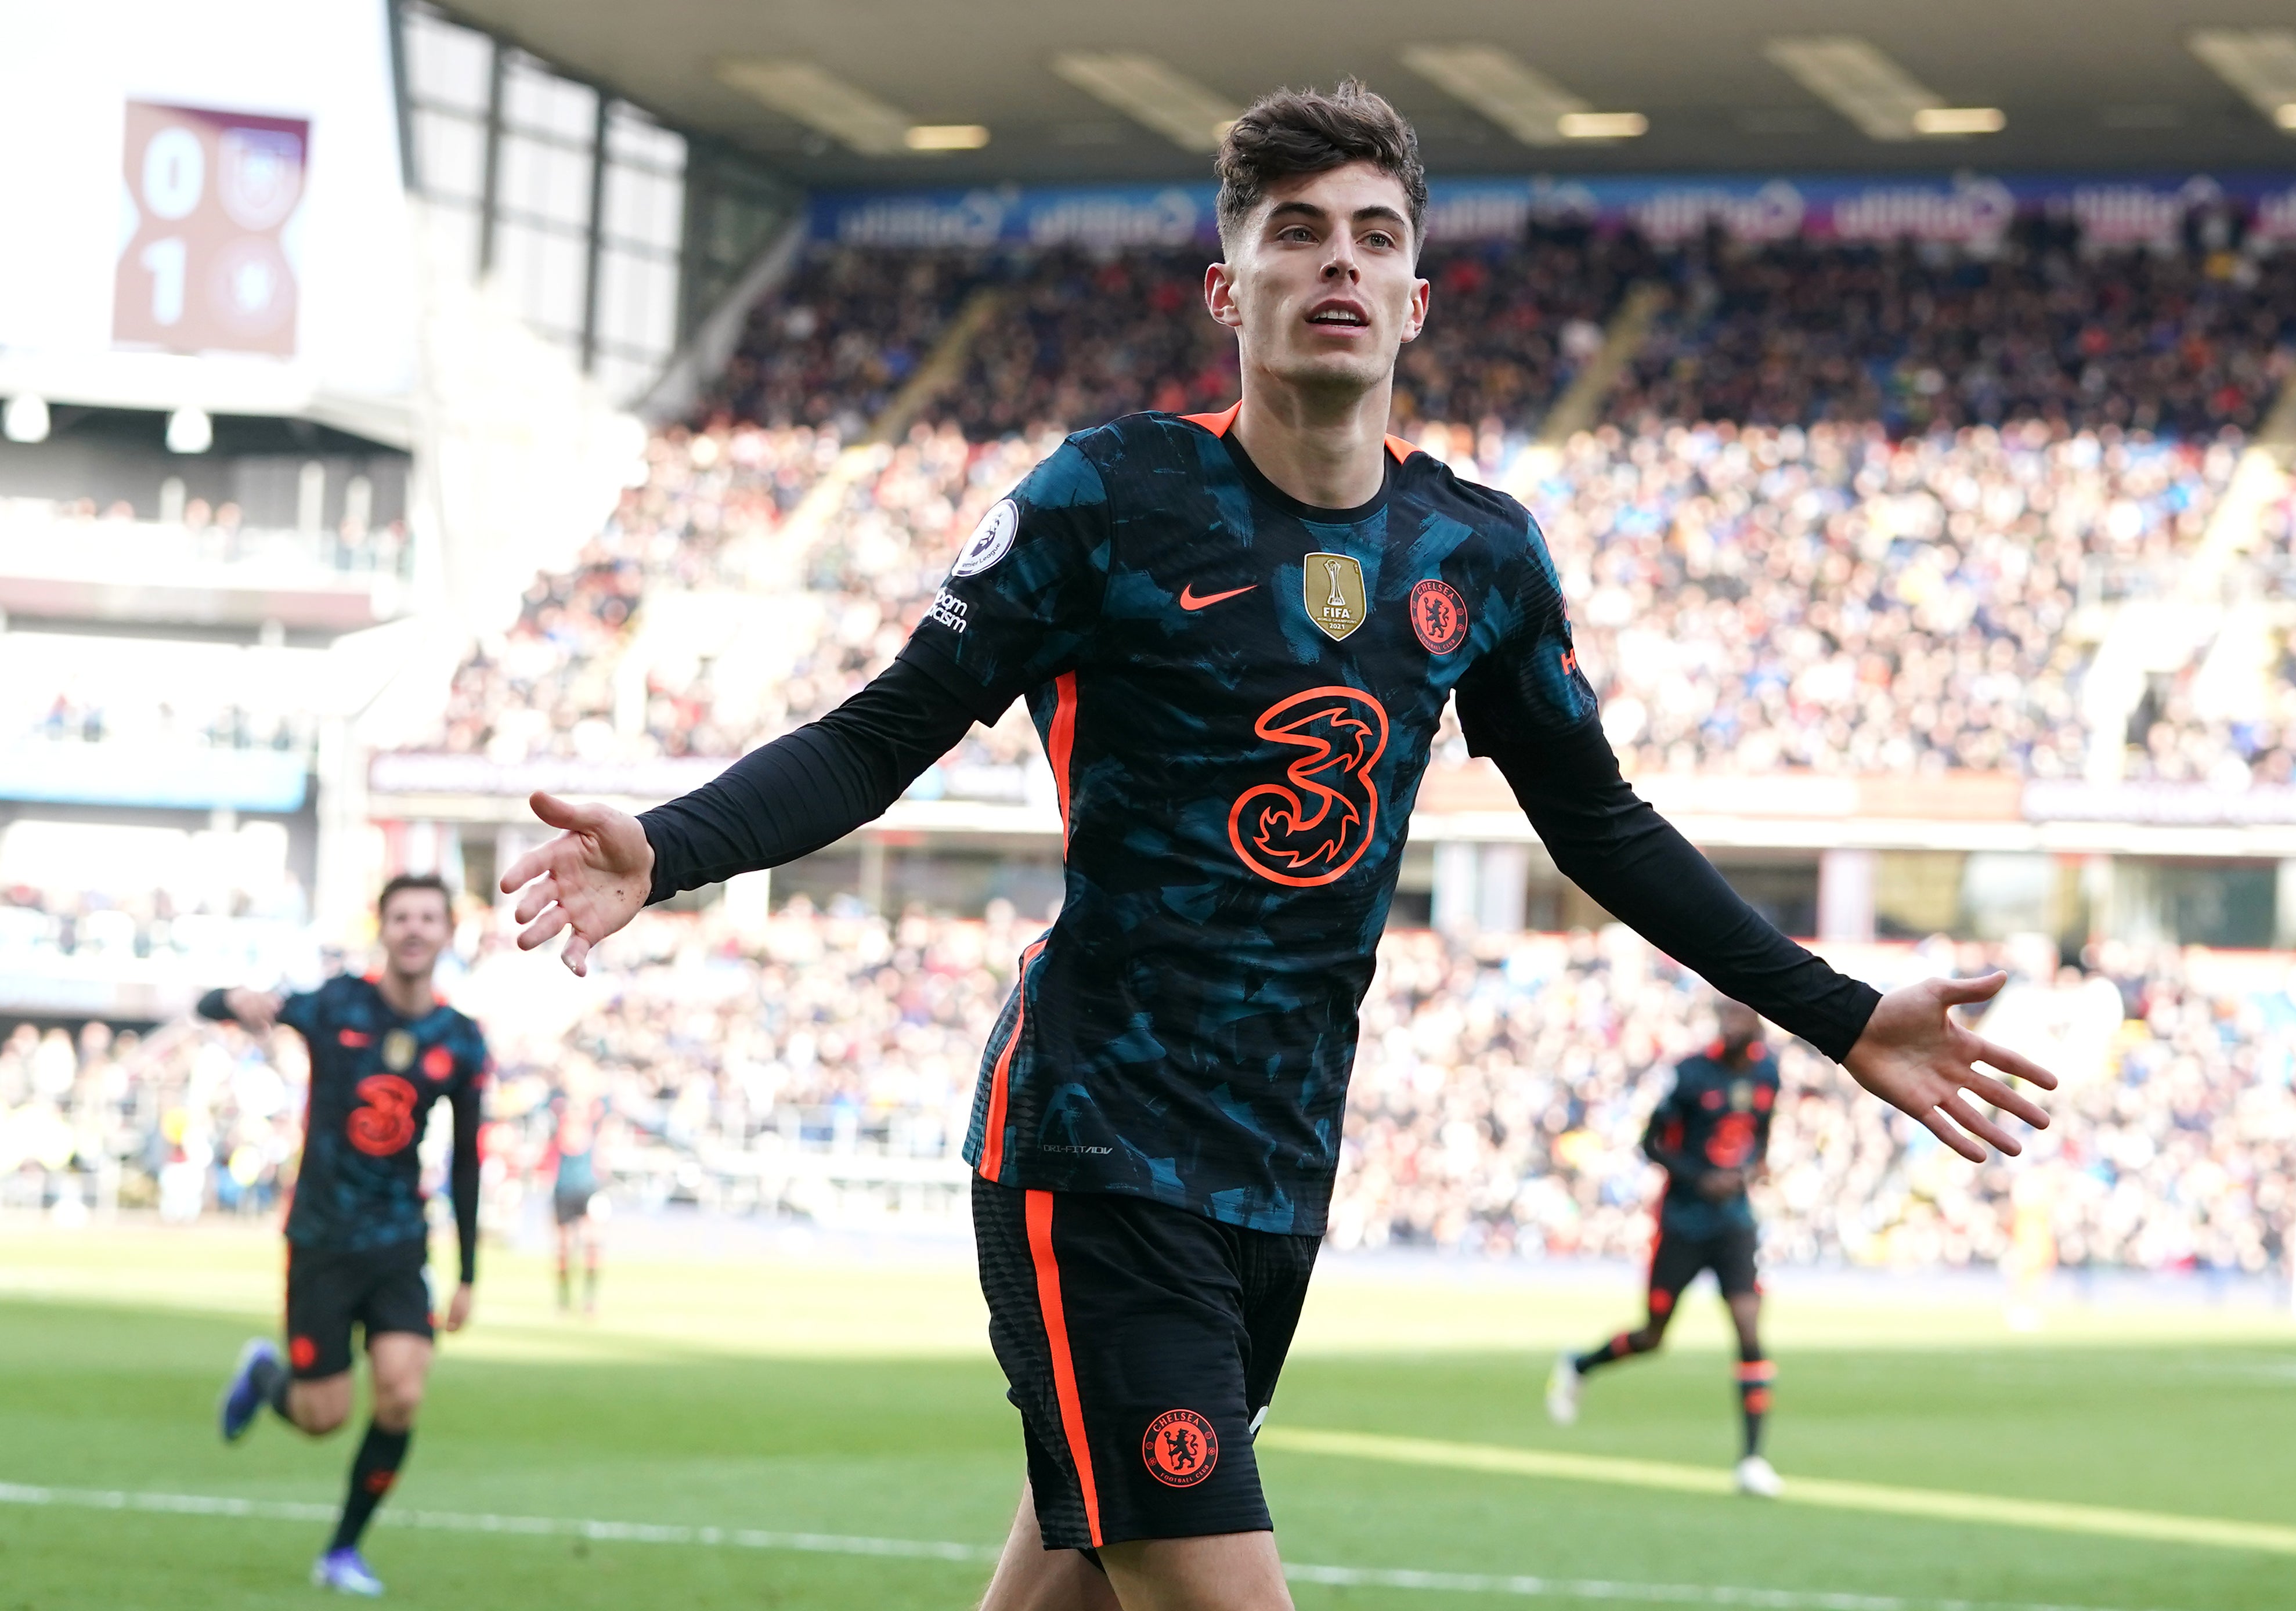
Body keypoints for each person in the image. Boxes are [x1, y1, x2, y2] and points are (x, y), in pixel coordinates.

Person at [496, 82, 2059, 1611]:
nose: (1340, 264)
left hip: (1276, 1172)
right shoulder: (1107, 498)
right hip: (1095, 1145)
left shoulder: (1479, 556)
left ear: (1418, 300)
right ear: (1223, 287)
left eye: (1376, 238)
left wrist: (1838, 1013)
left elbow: (1601, 826)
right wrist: (669, 847)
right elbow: (882, 730)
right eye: (1298, 234)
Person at [208, 873, 488, 1597]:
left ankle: (341, 1552)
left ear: (448, 932)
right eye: (402, 916)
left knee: (401, 1392)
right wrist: (233, 1001)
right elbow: (215, 1004)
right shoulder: (335, 1003)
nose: (416, 928)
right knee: (321, 1416)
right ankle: (265, 1377)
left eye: (429, 916)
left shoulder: (460, 1039)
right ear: (384, 929)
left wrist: (468, 1274)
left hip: (399, 1242)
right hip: (324, 1239)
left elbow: (466, 1159)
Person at [1547, 996, 1786, 1496]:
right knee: (1654, 1335)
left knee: (1748, 1326)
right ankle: (1579, 1365)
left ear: (1757, 1022)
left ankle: (1752, 1460)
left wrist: (1754, 1167)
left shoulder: (1768, 1075)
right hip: (1683, 1222)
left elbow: (1761, 1134)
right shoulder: (1691, 1074)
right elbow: (1651, 1142)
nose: (1728, 1025)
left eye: (1738, 1016)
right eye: (1723, 1016)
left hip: (1734, 1222)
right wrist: (1701, 1179)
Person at [542, 1062, 609, 1314]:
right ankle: (564, 1300)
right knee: (563, 1248)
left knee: (593, 1244)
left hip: (589, 1186)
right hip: (564, 1187)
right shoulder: (557, 1105)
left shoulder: (597, 1109)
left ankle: (589, 1300)